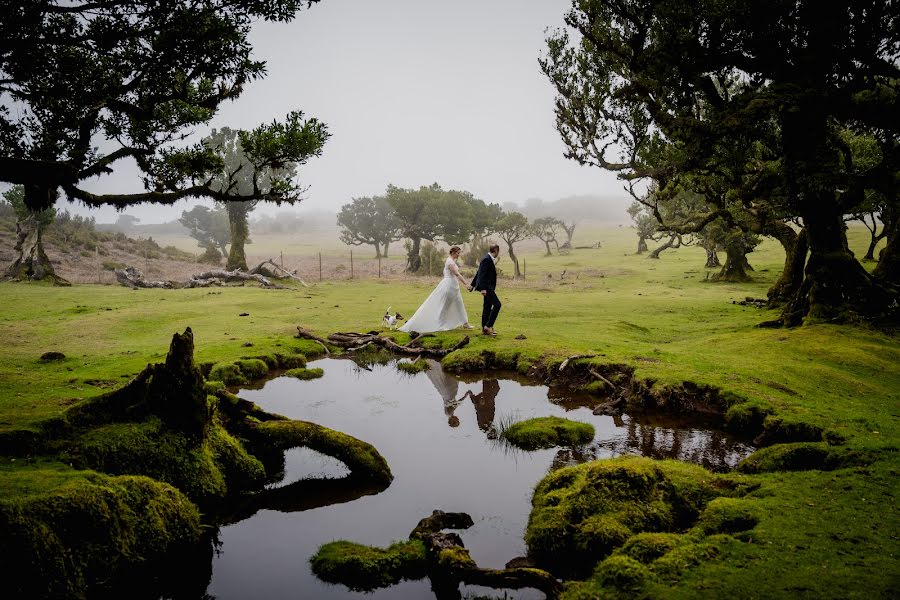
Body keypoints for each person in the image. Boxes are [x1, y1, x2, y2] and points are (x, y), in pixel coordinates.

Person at [399, 246, 474, 333]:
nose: (459, 255)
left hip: (454, 286)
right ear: (453, 252)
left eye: (459, 253)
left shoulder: (452, 261)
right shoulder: (450, 262)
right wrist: (466, 284)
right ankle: (439, 324)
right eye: (458, 253)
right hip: (449, 286)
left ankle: (465, 323)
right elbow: (457, 274)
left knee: (459, 303)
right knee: (444, 306)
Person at [469, 244, 501, 336]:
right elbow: (481, 274)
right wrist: (482, 288)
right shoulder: (487, 259)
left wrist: (472, 285)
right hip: (487, 287)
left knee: (487, 307)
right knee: (497, 305)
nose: (498, 253)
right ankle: (488, 326)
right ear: (495, 250)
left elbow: (479, 273)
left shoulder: (487, 258)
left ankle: (484, 329)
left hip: (488, 287)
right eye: (498, 251)